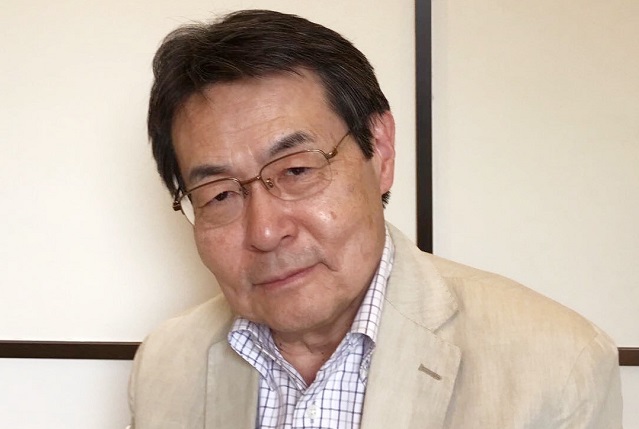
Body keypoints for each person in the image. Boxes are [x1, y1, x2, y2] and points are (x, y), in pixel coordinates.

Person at [128, 9, 623, 429]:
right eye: (218, 195)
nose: (265, 232)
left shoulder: (558, 366)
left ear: (380, 151)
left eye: (297, 170)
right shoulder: (165, 364)